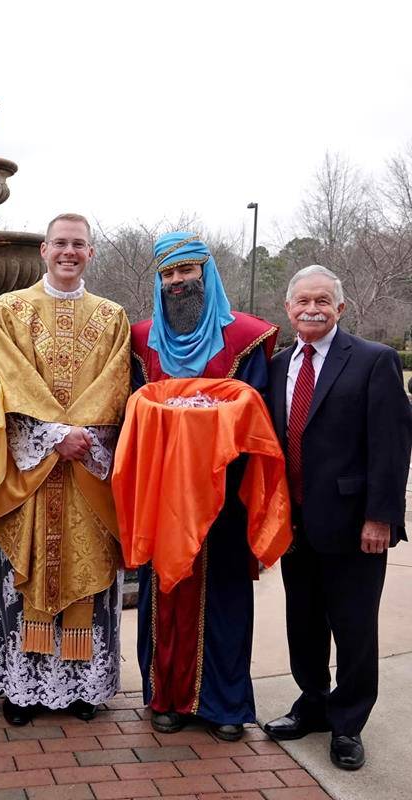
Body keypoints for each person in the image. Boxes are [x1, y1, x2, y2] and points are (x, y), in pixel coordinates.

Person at [0, 213, 131, 725]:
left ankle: (84, 687)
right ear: (43, 250)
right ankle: (23, 689)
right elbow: (7, 380)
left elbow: (115, 387)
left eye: (78, 244)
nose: (69, 252)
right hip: (30, 470)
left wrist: (82, 439)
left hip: (87, 468)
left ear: (91, 253)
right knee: (27, 569)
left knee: (88, 572)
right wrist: (53, 435)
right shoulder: (9, 309)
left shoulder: (112, 316)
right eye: (60, 243)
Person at [130, 232, 278, 741]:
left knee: (226, 596)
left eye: (186, 270)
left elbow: (259, 411)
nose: (177, 282)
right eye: (168, 274)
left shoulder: (247, 337)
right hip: (163, 494)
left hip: (224, 493)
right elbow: (132, 409)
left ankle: (225, 705)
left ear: (206, 272)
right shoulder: (142, 339)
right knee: (165, 595)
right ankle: (166, 698)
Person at [263, 264, 412, 770]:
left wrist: (381, 517)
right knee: (302, 622)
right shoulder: (277, 366)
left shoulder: (373, 360)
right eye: (303, 301)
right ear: (288, 308)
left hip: (354, 525)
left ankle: (348, 724)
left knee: (354, 629)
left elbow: (392, 446)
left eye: (322, 301)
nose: (312, 309)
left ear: (340, 308)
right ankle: (312, 703)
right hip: (295, 523)